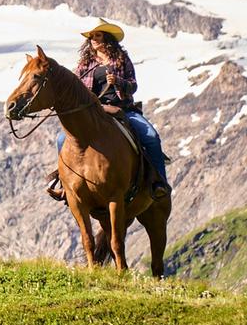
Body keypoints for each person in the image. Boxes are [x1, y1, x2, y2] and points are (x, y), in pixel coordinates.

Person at [49, 20, 170, 198]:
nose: (94, 39)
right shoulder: (85, 63)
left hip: (123, 109)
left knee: (151, 136)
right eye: (91, 37)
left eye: (97, 35)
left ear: (107, 37)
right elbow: (75, 87)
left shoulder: (121, 59)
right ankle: (66, 184)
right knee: (61, 139)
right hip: (93, 112)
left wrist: (118, 82)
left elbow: (133, 85)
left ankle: (159, 181)